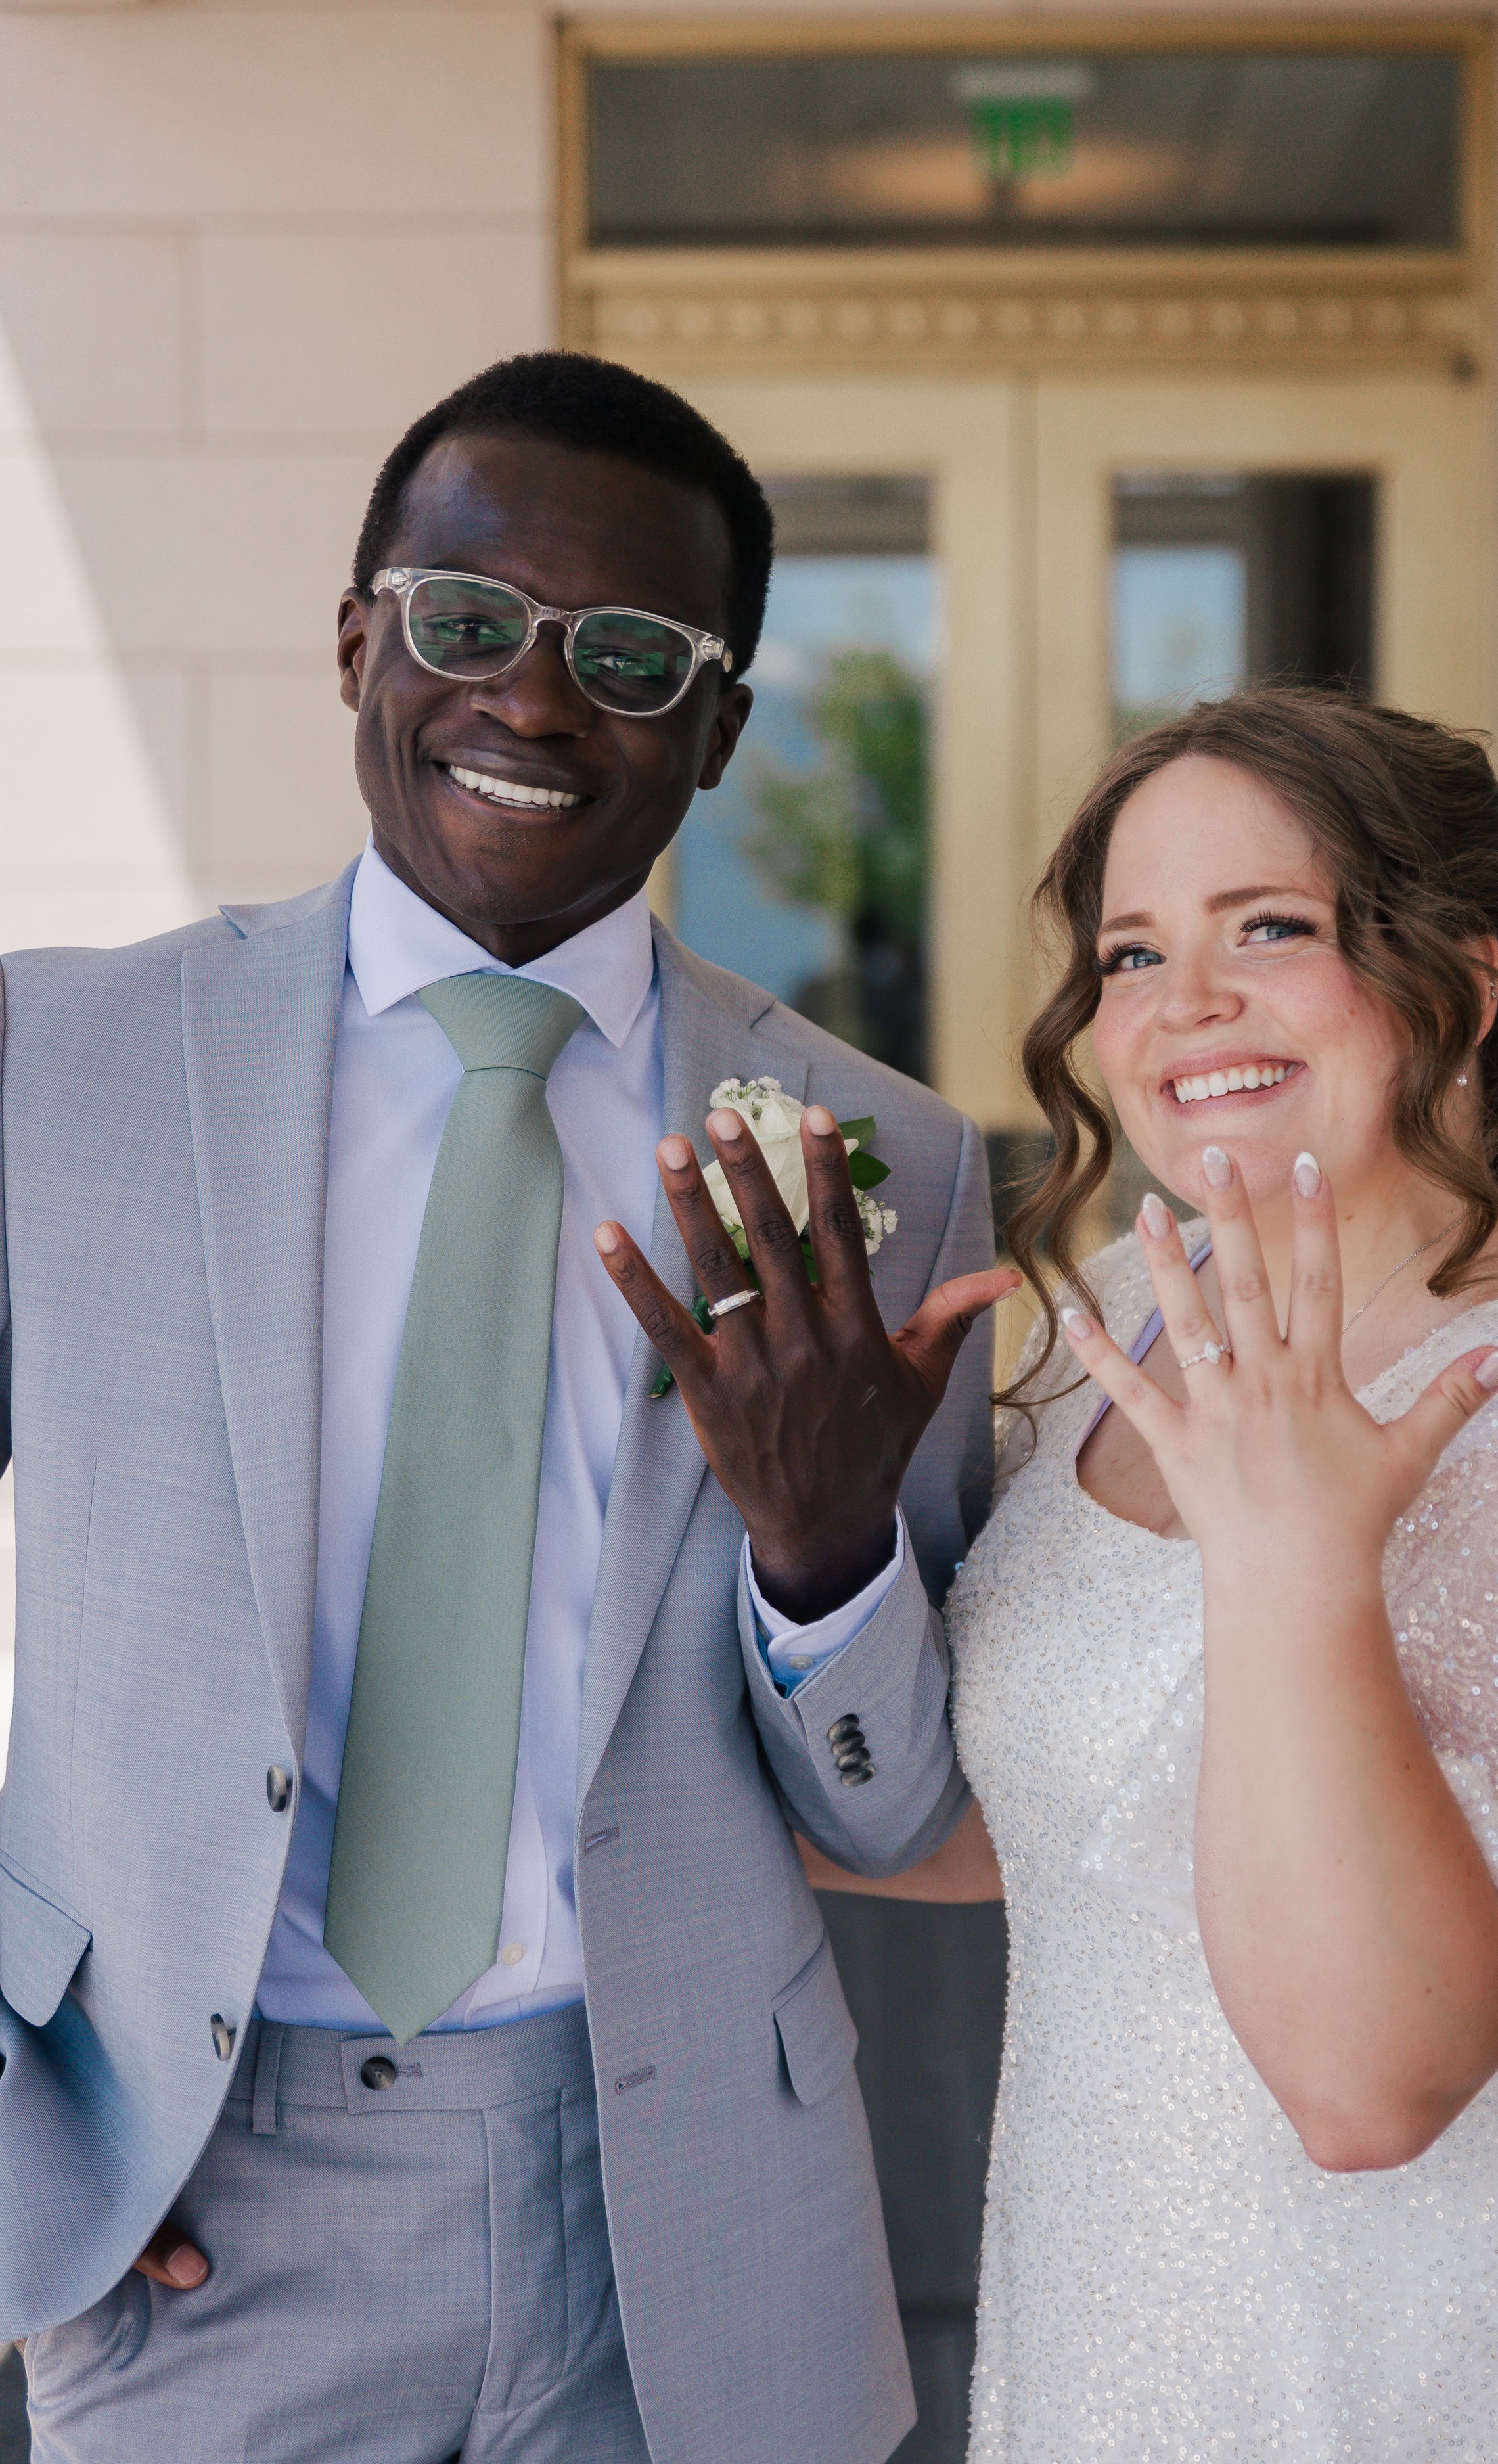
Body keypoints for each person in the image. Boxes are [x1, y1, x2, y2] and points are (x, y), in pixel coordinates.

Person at [0, 351, 1015, 2464]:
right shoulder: (57, 1068)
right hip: (191, 2191)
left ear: (721, 727)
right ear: (362, 639)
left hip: (683, 2225)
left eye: (630, 657)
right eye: (468, 624)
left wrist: (823, 1558)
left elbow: (890, 1812)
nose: (534, 706)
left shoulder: (882, 1160)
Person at [932, 690, 1498, 2458]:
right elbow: (1060, 1814)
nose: (1186, 1007)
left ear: (1457, 987)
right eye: (1129, 953)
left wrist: (1290, 1573)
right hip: (1105, 2347)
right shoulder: (1112, 1316)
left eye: (1270, 929)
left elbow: (1372, 2087)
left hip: (1401, 2382)